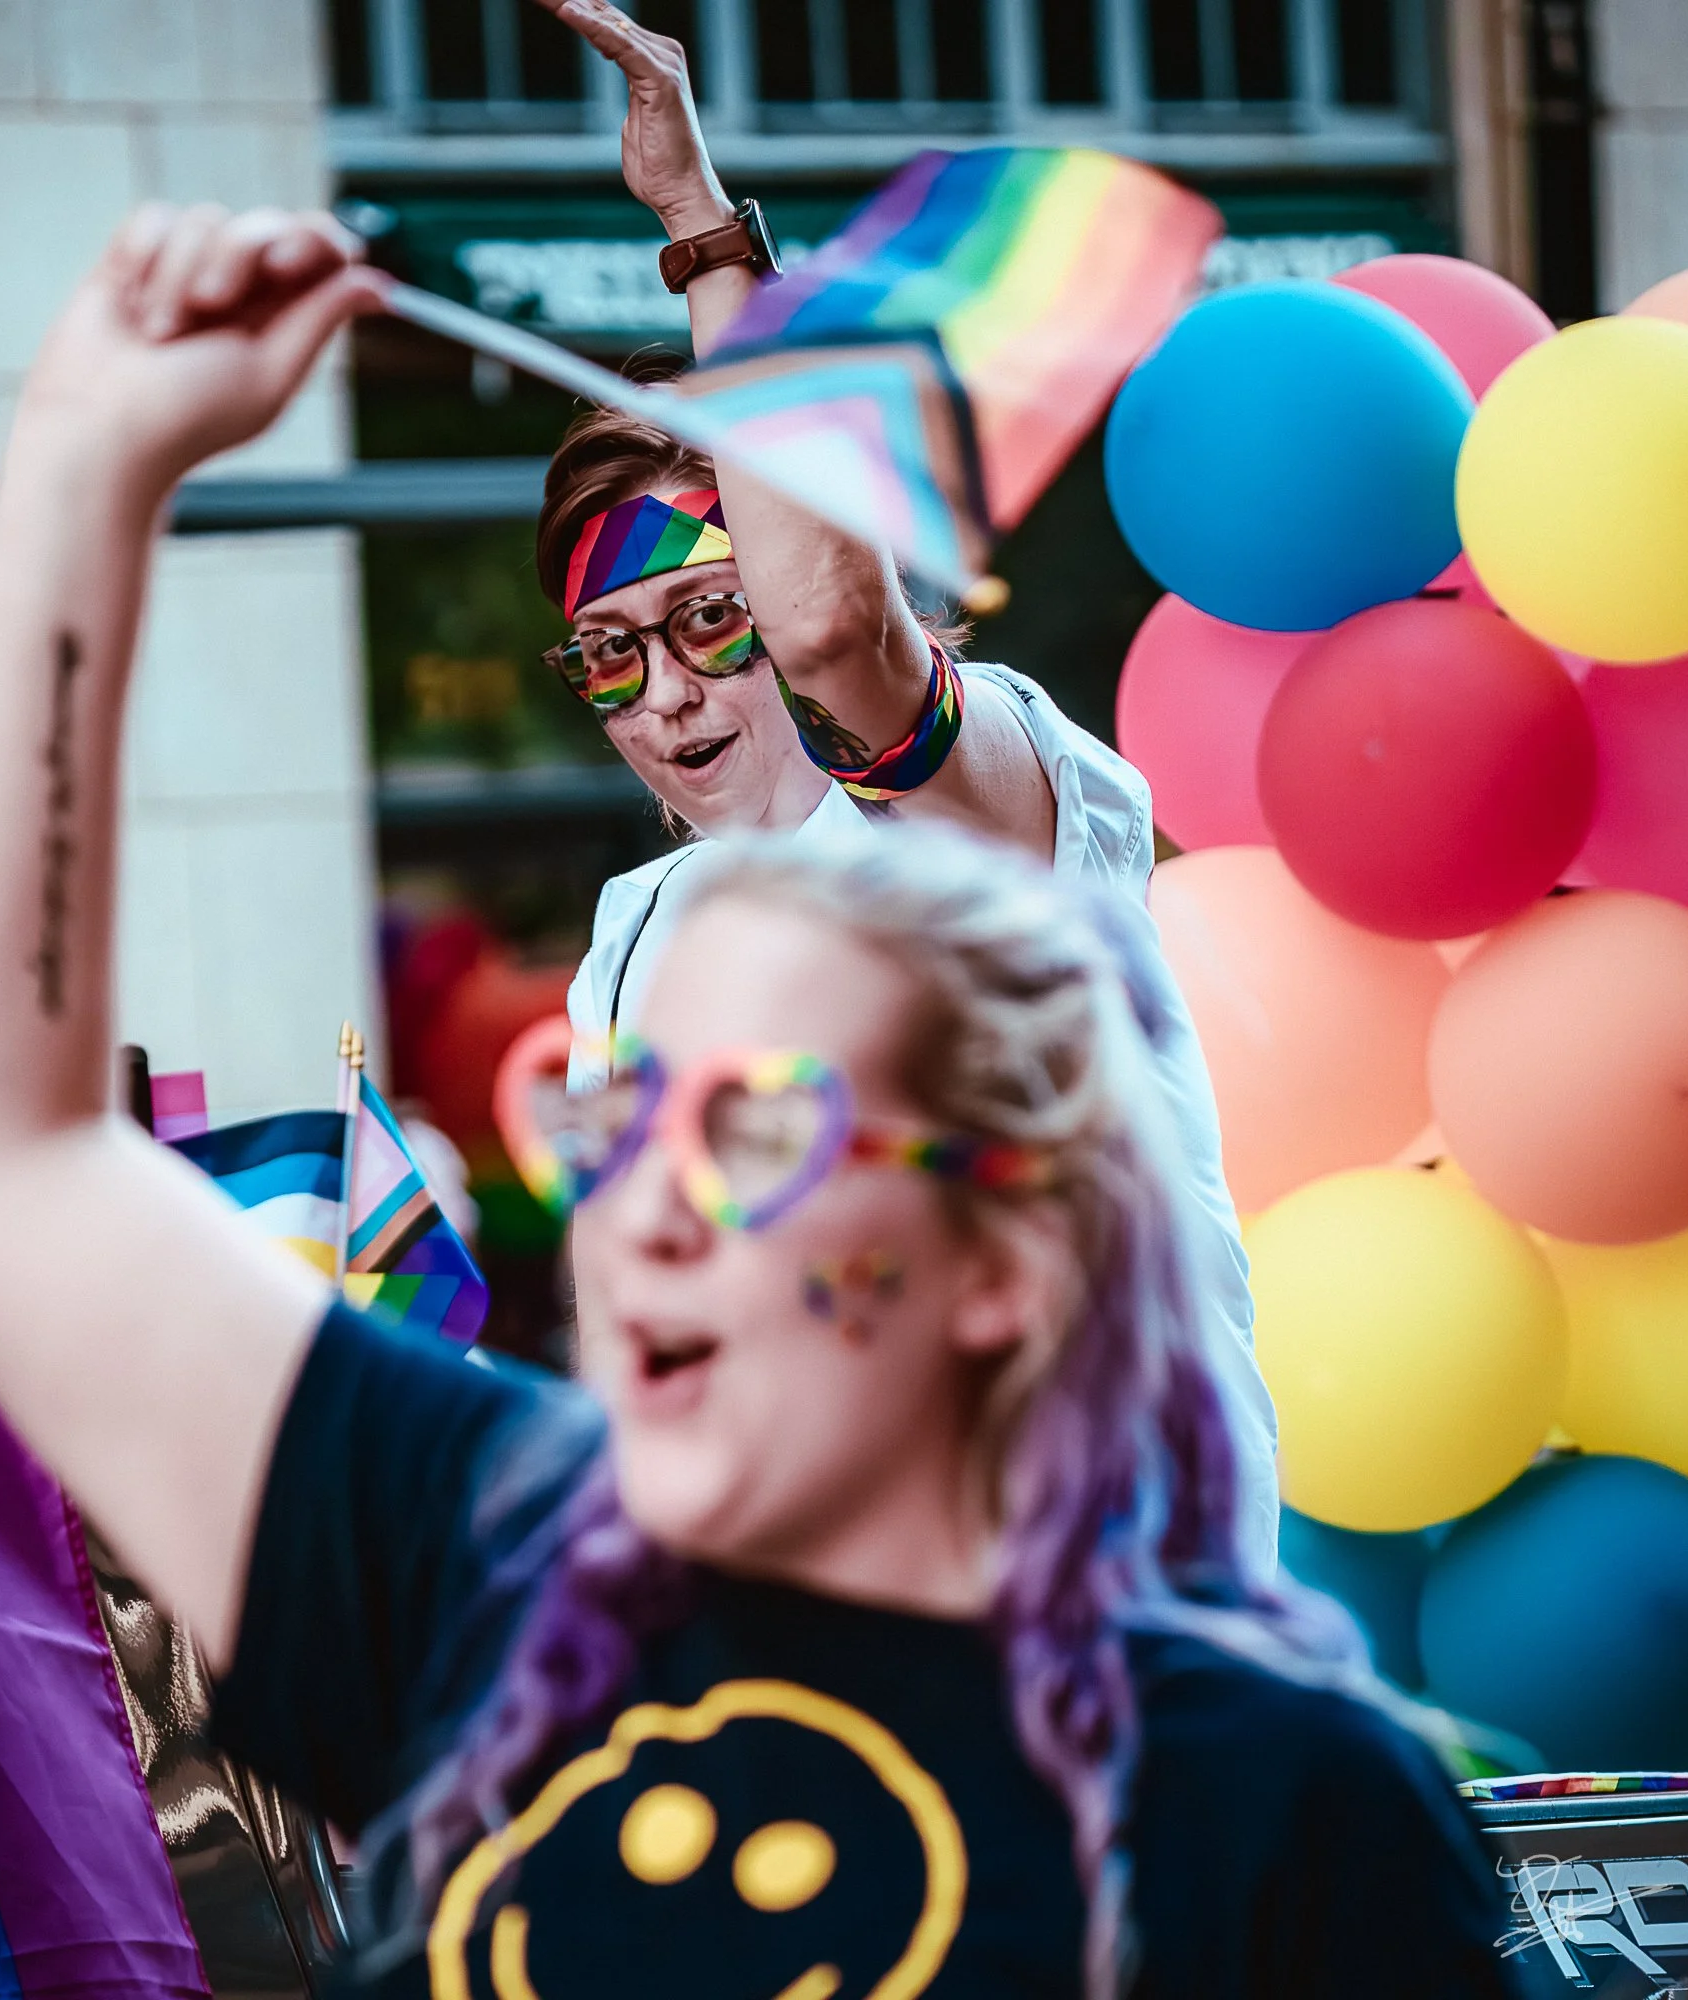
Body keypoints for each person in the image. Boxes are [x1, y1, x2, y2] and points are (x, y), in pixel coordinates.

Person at [0, 205, 1518, 2000]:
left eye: (751, 1132)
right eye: (618, 1121)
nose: (639, 1207)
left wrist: (709, 244)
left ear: (1008, 1250)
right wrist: (81, 459)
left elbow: (839, 634)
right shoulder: (505, 1579)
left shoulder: (1255, 1802)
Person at [534, 0, 1280, 1568]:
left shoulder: (987, 798)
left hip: (1110, 1620)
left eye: (703, 620)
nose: (664, 696)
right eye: (609, 655)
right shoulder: (638, 930)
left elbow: (829, 626)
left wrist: (698, 231)